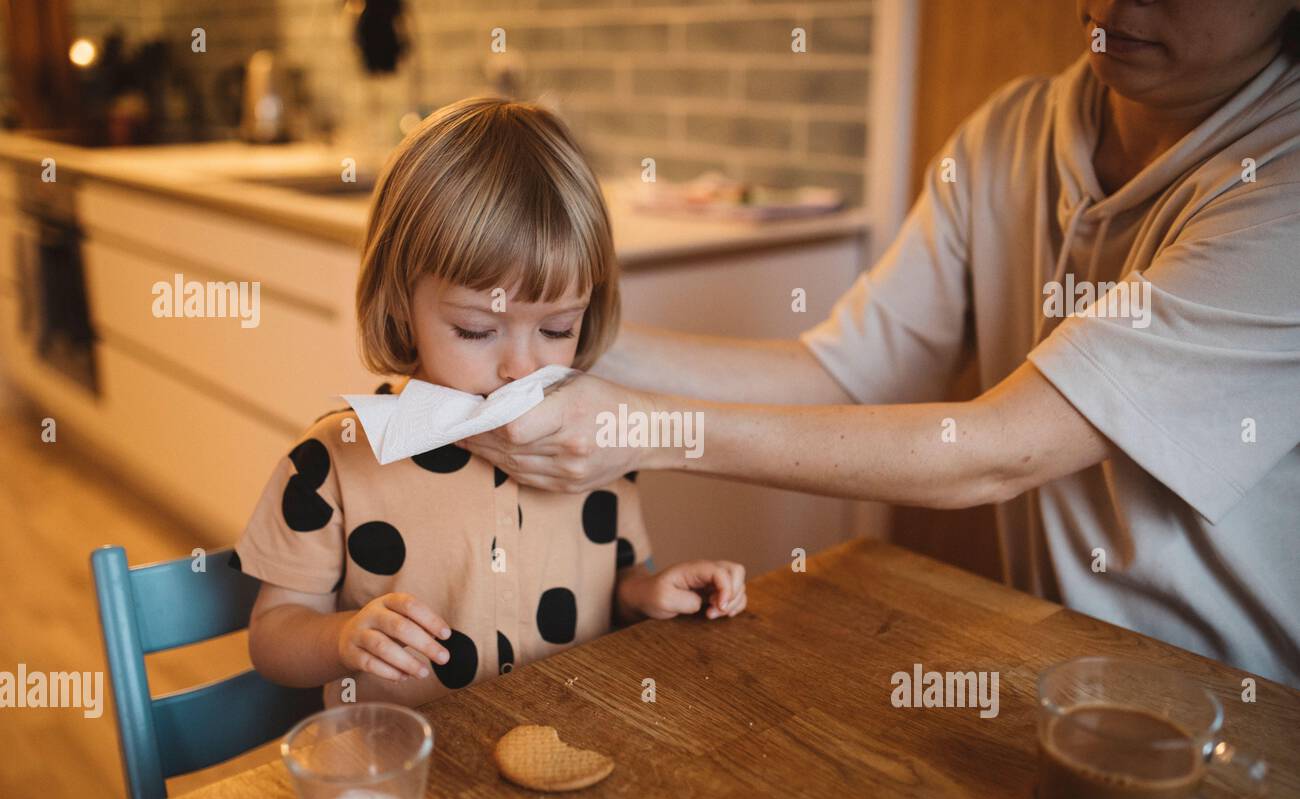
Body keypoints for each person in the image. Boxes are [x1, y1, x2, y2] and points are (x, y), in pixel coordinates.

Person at [457, 1, 1300, 689]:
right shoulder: (1010, 132)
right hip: (1055, 668)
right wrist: (547, 338)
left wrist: (644, 429)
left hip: (1237, 702)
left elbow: (992, 451)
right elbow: (846, 375)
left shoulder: (1284, 185)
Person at [233, 97, 747, 707]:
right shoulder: (332, 463)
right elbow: (272, 637)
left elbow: (617, 582)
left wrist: (649, 594)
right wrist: (341, 636)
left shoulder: (591, 447)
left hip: (574, 738)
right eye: (477, 331)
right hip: (418, 775)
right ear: (400, 301)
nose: (521, 367)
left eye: (557, 329)